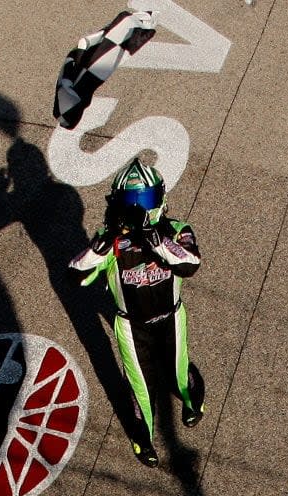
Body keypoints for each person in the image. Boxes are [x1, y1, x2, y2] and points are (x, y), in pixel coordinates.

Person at [68, 157, 205, 468]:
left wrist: (155, 240)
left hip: (172, 319)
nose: (138, 209)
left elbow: (191, 264)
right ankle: (144, 439)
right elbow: (75, 275)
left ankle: (194, 402)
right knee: (142, 390)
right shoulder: (110, 241)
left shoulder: (177, 230)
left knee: (180, 373)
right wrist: (102, 245)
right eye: (131, 202)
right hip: (132, 328)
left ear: (160, 199)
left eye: (143, 200)